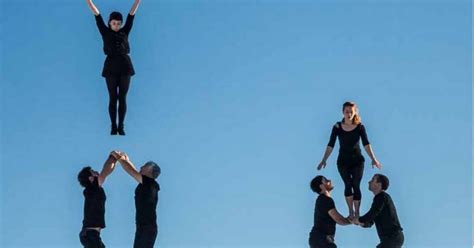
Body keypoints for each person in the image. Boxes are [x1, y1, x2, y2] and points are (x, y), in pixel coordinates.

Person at [317, 101, 382, 218]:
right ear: (343, 112)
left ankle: (357, 212)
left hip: (357, 161)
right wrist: (324, 159)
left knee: (356, 184)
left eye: (351, 112)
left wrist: (373, 158)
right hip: (343, 161)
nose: (349, 114)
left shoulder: (360, 127)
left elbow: (366, 144)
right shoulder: (337, 127)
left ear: (354, 112)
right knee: (348, 184)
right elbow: (330, 144)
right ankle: (350, 212)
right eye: (346, 111)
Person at [85, 0, 141, 135]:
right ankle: (113, 126)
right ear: (110, 23)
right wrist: (89, 1)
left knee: (122, 97)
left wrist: (137, 1)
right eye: (114, 23)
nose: (116, 25)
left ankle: (121, 126)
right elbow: (96, 14)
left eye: (118, 23)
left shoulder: (125, 31)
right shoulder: (105, 32)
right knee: (112, 97)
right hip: (110, 68)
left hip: (125, 67)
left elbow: (131, 15)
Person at [112, 151, 161, 248]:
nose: (141, 167)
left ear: (149, 170)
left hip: (146, 227)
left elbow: (131, 171)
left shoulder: (149, 183)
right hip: (144, 227)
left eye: (144, 166)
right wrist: (127, 160)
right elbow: (133, 170)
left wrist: (119, 158)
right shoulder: (147, 183)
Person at [77, 152, 118, 248]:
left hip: (91, 235)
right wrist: (113, 157)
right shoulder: (92, 188)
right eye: (93, 171)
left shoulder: (93, 189)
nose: (96, 172)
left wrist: (114, 159)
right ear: (91, 178)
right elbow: (106, 171)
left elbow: (105, 172)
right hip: (90, 234)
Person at [351, 174, 404, 248]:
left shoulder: (382, 197)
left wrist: (359, 219)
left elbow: (373, 213)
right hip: (390, 239)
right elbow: (370, 221)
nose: (369, 182)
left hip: (392, 238)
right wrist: (360, 222)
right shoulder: (378, 199)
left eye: (372, 180)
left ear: (379, 184)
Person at [309, 175, 352, 248]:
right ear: (321, 186)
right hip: (321, 239)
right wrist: (351, 221)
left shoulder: (323, 200)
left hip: (319, 239)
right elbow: (338, 219)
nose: (329, 181)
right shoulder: (325, 200)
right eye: (326, 180)